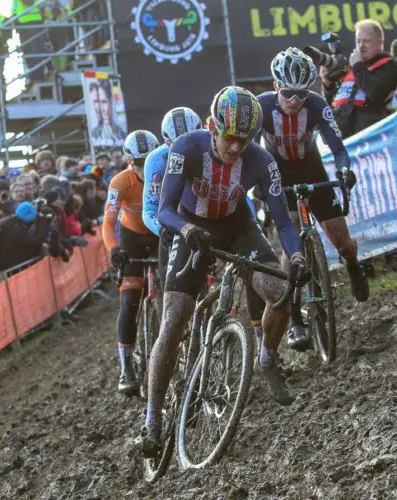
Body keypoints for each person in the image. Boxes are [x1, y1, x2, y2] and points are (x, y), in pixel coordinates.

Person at [141, 86, 310, 456]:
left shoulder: (261, 161)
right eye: (230, 138)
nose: (236, 149)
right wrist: (186, 230)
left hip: (236, 227)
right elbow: (164, 208)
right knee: (174, 321)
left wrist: (295, 257)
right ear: (212, 126)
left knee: (280, 292)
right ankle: (152, 419)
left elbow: (282, 221)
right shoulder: (185, 148)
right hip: (187, 227)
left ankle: (267, 357)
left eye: (244, 141)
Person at [260, 48, 369, 337]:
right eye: (287, 93)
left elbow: (339, 150)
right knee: (292, 237)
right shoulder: (262, 107)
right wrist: (257, 188)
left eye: (301, 94)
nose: (295, 101)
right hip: (277, 170)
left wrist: (344, 170)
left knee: (342, 241)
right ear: (275, 87)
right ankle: (295, 315)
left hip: (310, 167)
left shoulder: (318, 105)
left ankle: (352, 264)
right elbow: (250, 155)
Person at [101, 130, 160, 396]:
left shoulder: (166, 172)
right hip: (131, 238)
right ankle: (126, 368)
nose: (145, 168)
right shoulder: (120, 182)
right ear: (129, 161)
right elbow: (108, 223)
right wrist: (114, 249)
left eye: (149, 160)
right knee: (129, 300)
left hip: (160, 233)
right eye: (138, 163)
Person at [142, 106, 202, 283]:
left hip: (205, 213)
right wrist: (161, 229)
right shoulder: (155, 160)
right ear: (167, 144)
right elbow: (150, 209)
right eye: (177, 146)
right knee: (169, 285)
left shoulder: (215, 148)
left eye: (191, 144)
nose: (185, 152)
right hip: (174, 219)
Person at [319, 19, 397, 138]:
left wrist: (357, 66)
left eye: (366, 41)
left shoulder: (388, 65)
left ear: (380, 43)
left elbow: (375, 93)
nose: (361, 46)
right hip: (343, 134)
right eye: (358, 41)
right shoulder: (352, 68)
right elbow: (333, 103)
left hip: (370, 135)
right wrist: (327, 84)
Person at [12, 0, 46, 85]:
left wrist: (17, 28)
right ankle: (37, 75)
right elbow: (42, 8)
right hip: (36, 24)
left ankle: (36, 76)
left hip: (25, 27)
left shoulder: (16, 1)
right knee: (35, 51)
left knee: (32, 52)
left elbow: (14, 14)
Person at [89, 79, 126, 145]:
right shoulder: (96, 135)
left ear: (112, 102)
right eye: (97, 102)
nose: (101, 109)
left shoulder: (123, 133)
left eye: (104, 102)